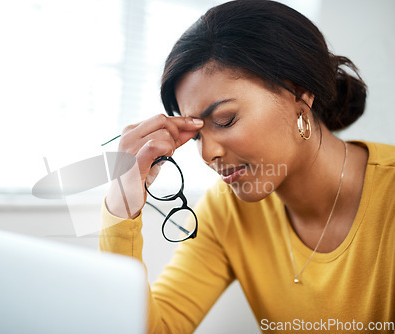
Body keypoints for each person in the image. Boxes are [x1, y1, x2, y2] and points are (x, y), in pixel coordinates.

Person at [99, 1, 395, 333]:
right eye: (196, 137)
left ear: (299, 92)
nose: (208, 153)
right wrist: (121, 203)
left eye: (225, 120)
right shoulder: (228, 212)